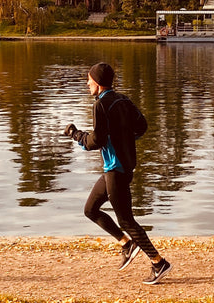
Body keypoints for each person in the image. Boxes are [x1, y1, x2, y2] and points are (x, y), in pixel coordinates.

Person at [62, 62, 173, 285]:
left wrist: (76, 135)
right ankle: (126, 244)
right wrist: (124, 139)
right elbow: (141, 127)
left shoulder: (101, 105)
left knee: (126, 220)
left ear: (98, 82)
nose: (87, 84)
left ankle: (159, 262)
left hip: (116, 170)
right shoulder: (123, 100)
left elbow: (97, 140)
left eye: (89, 80)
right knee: (90, 209)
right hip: (118, 168)